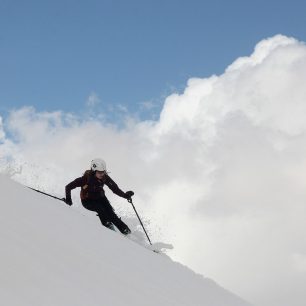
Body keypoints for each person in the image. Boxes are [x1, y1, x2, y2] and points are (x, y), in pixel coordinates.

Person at [65, 158, 134, 235]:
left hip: (101, 198)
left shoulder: (104, 177)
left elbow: (115, 189)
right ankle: (109, 229)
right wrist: (68, 199)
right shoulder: (85, 179)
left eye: (103, 172)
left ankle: (127, 232)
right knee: (100, 209)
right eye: (99, 172)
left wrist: (125, 195)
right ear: (94, 171)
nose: (102, 174)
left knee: (111, 214)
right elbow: (68, 187)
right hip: (87, 201)